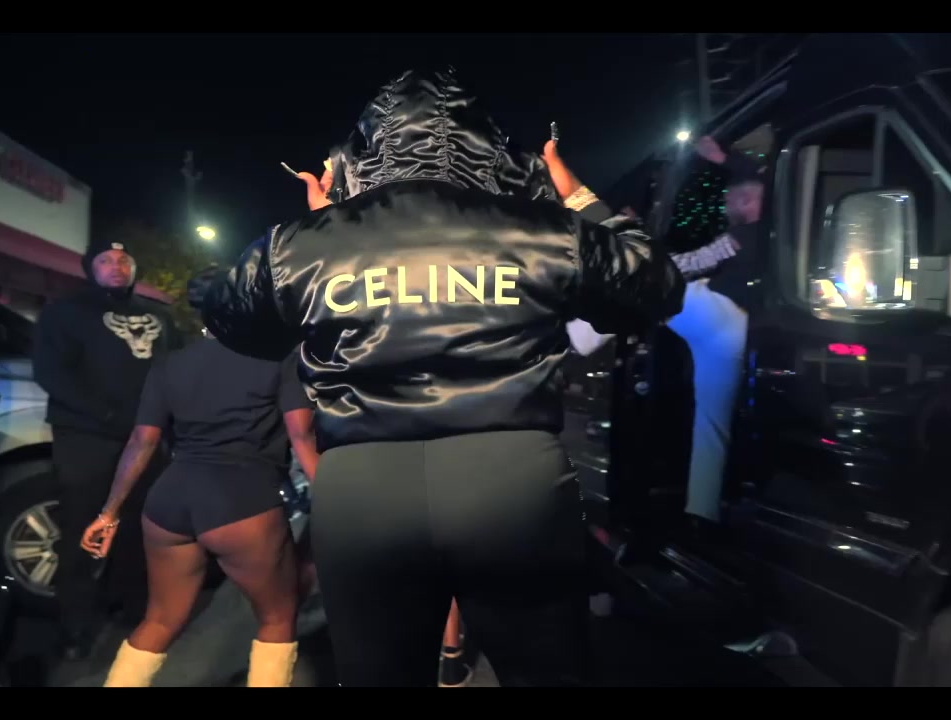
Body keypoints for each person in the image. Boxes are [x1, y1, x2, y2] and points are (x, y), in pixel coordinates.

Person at [194, 68, 688, 687]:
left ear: (367, 148)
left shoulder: (298, 244)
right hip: (512, 482)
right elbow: (654, 287)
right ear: (485, 143)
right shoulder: (540, 228)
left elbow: (233, 320)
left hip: (362, 488)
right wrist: (576, 193)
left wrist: (326, 230)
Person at [79, 306, 320, 687]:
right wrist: (334, 498)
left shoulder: (170, 363)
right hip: (241, 502)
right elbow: (302, 436)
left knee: (159, 620)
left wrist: (109, 512)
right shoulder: (278, 360)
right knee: (277, 618)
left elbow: (142, 440)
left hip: (170, 501)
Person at [33, 239, 180, 660]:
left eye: (124, 259)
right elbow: (49, 372)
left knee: (140, 528)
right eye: (105, 260)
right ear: (89, 268)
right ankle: (74, 626)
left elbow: (177, 369)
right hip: (87, 439)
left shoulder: (159, 315)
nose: (116, 266)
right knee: (85, 528)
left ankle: (131, 609)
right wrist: (106, 414)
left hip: (147, 441)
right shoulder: (64, 312)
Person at [665, 136, 765, 523]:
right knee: (712, 424)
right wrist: (725, 158)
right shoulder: (774, 234)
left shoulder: (747, 235)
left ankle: (580, 336)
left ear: (747, 201)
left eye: (732, 199)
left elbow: (695, 262)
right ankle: (702, 511)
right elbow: (758, 176)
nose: (726, 204)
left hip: (719, 313)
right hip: (736, 333)